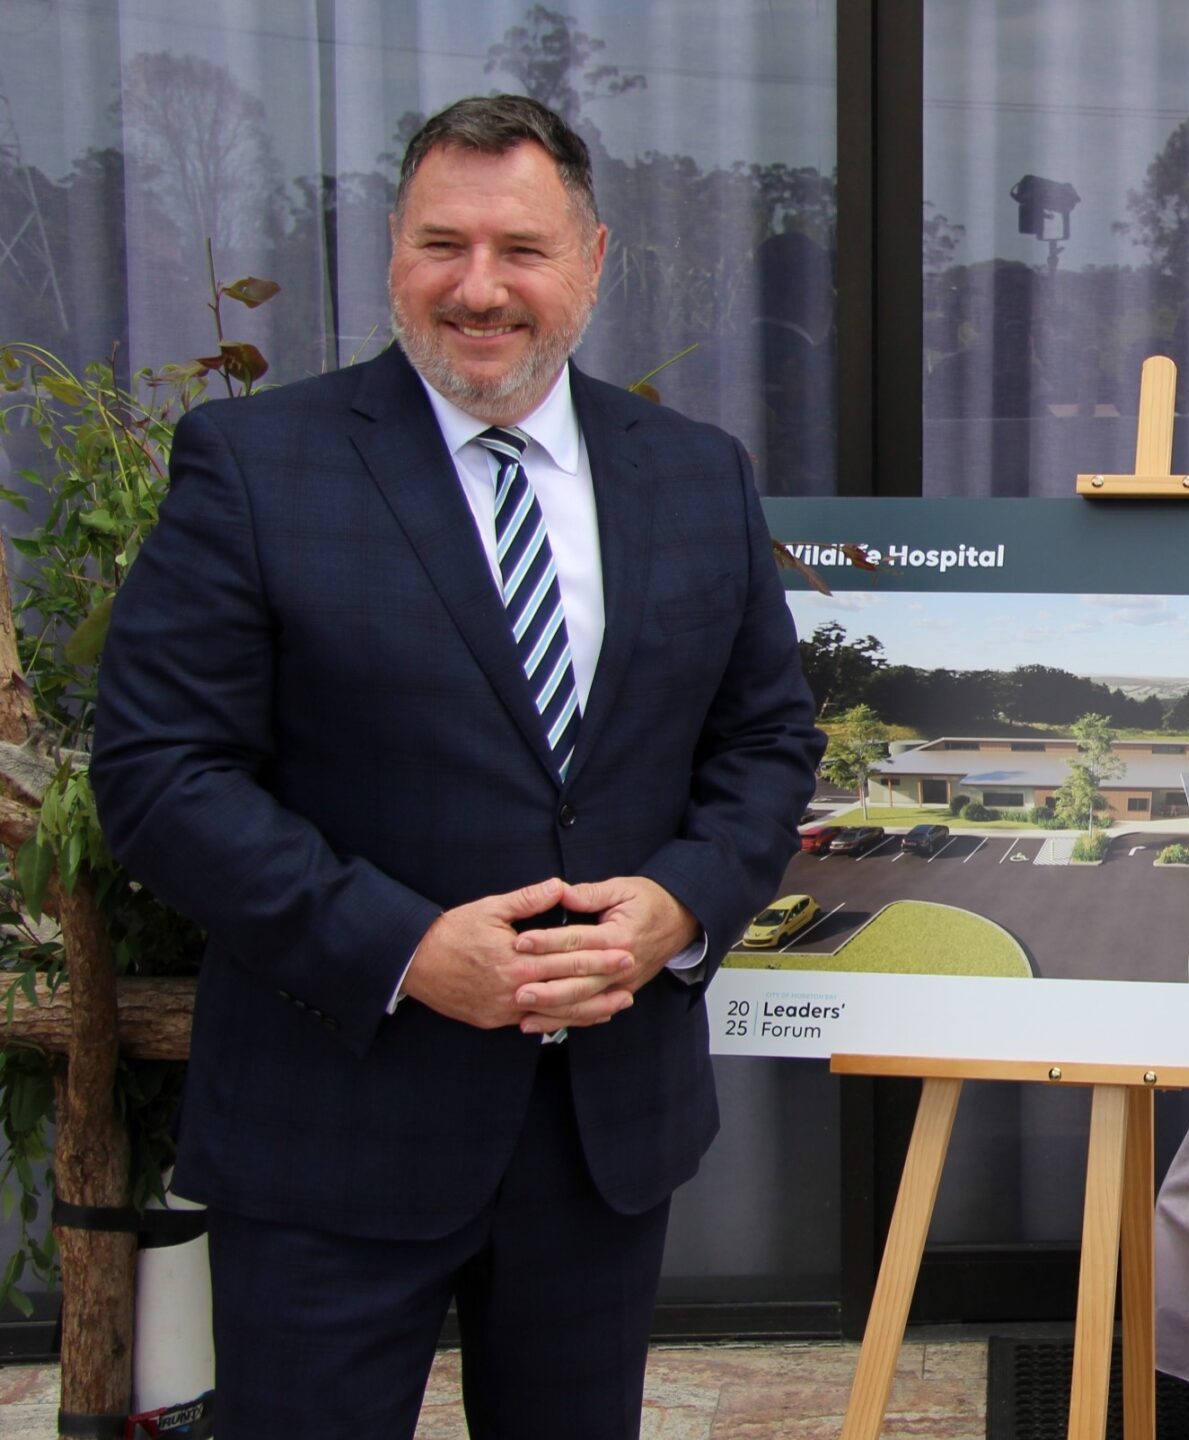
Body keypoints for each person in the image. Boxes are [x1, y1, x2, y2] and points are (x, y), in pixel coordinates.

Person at [89, 94, 823, 1437]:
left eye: (521, 249)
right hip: (334, 1127)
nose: (478, 288)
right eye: (443, 244)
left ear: (592, 260)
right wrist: (409, 948)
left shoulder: (695, 476)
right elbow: (159, 773)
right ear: (392, 254)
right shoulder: (257, 467)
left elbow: (767, 741)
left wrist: (676, 908)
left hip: (600, 1135)